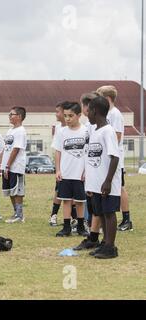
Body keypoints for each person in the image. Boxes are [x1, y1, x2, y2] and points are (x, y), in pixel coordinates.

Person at [84, 96, 121, 259]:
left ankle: (111, 247)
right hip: (96, 183)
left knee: (109, 213)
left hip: (107, 183)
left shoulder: (108, 131)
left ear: (95, 111)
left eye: (88, 111)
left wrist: (108, 181)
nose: (87, 115)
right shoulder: (95, 131)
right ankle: (105, 243)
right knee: (101, 213)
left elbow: (115, 157)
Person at [96, 85, 133, 232]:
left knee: (120, 188)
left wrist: (108, 152)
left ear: (107, 98)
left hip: (115, 158)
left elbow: (117, 136)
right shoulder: (106, 113)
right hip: (106, 159)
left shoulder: (115, 114)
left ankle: (126, 219)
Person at [74, 92, 105, 251]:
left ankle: (97, 238)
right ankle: (93, 237)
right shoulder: (89, 126)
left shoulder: (97, 127)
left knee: (97, 207)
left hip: (96, 171)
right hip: (89, 171)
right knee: (93, 207)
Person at [53, 102, 89, 237]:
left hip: (80, 174)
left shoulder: (86, 131)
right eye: (66, 116)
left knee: (80, 202)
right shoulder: (61, 131)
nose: (67, 119)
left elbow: (88, 152)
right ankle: (66, 227)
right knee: (66, 200)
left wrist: (86, 171)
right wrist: (58, 170)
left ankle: (81, 226)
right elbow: (58, 152)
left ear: (79, 115)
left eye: (71, 116)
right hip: (65, 173)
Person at [0, 106, 27, 223]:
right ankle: (15, 212)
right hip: (7, 166)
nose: (10, 116)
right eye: (9, 114)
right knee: (10, 190)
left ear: (19, 117)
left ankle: (20, 215)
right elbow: (6, 148)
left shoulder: (21, 131)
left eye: (12, 114)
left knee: (17, 191)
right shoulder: (10, 131)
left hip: (16, 166)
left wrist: (8, 165)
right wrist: (1, 164)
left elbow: (15, 149)